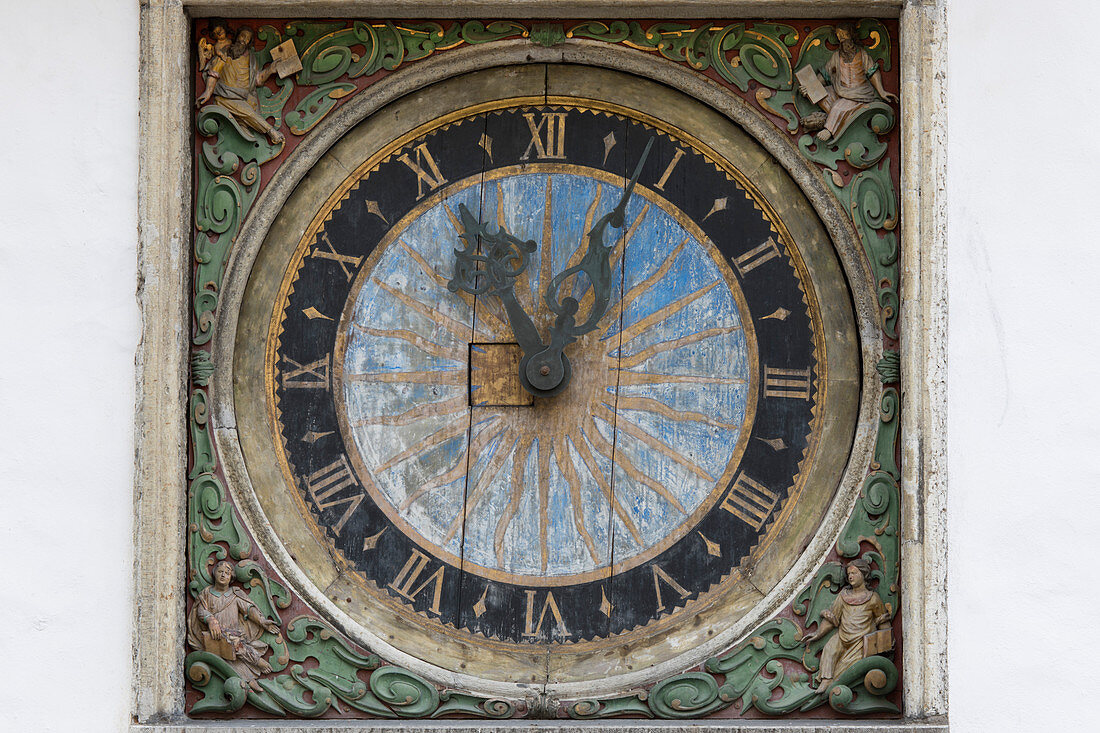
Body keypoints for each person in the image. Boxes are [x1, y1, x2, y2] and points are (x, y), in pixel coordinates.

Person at [186, 560, 280, 693]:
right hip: (215, 635)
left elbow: (248, 609)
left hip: (234, 633)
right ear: (214, 574)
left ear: (231, 577)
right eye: (220, 572)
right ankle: (256, 663)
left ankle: (248, 680)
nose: (223, 575)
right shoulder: (207, 593)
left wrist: (261, 621)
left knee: (233, 649)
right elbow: (200, 610)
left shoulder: (235, 593)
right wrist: (211, 619)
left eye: (227, 573)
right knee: (231, 646)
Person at [801, 559, 891, 693]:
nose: (850, 576)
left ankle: (836, 685)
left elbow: (882, 621)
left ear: (864, 574)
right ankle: (826, 680)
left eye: (854, 573)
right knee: (830, 649)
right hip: (843, 636)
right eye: (849, 574)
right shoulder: (843, 596)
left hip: (861, 641)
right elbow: (832, 619)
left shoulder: (873, 598)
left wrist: (886, 643)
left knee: (847, 669)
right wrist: (817, 634)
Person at [799, 22, 898, 142]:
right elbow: (825, 76)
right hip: (842, 91)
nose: (841, 38)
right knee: (820, 93)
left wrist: (881, 92)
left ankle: (830, 128)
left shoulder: (862, 54)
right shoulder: (836, 56)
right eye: (838, 35)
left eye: (844, 34)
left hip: (860, 93)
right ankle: (843, 117)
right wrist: (810, 88)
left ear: (851, 35)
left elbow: (872, 72)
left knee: (837, 106)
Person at [195, 26, 284, 144]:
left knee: (247, 113)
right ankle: (271, 131)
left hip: (245, 98)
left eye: (247, 38)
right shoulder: (226, 52)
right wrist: (208, 92)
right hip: (225, 97)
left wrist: (270, 70)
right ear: (237, 36)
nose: (244, 40)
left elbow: (257, 80)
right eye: (242, 35)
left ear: (249, 42)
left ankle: (243, 126)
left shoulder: (251, 59)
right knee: (247, 112)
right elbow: (214, 72)